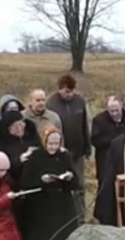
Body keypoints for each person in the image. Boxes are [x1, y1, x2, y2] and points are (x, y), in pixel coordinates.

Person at [19, 126, 80, 240]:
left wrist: (69, 177)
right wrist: (41, 180)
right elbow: (25, 182)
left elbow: (76, 183)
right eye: (50, 144)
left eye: (56, 144)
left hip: (62, 205)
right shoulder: (35, 157)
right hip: (41, 207)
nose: (53, 147)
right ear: (44, 142)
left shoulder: (64, 156)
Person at [46, 74, 91, 218]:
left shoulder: (79, 102)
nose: (69, 94)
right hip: (59, 152)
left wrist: (88, 146)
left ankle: (80, 216)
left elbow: (85, 125)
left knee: (79, 185)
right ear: (60, 89)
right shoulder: (51, 103)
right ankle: (62, 217)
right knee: (61, 184)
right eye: (66, 91)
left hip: (78, 151)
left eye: (71, 91)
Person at [91, 96, 125, 188]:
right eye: (112, 111)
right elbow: (95, 140)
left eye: (117, 110)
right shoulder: (99, 120)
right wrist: (115, 140)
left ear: (121, 106)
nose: (115, 114)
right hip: (105, 161)